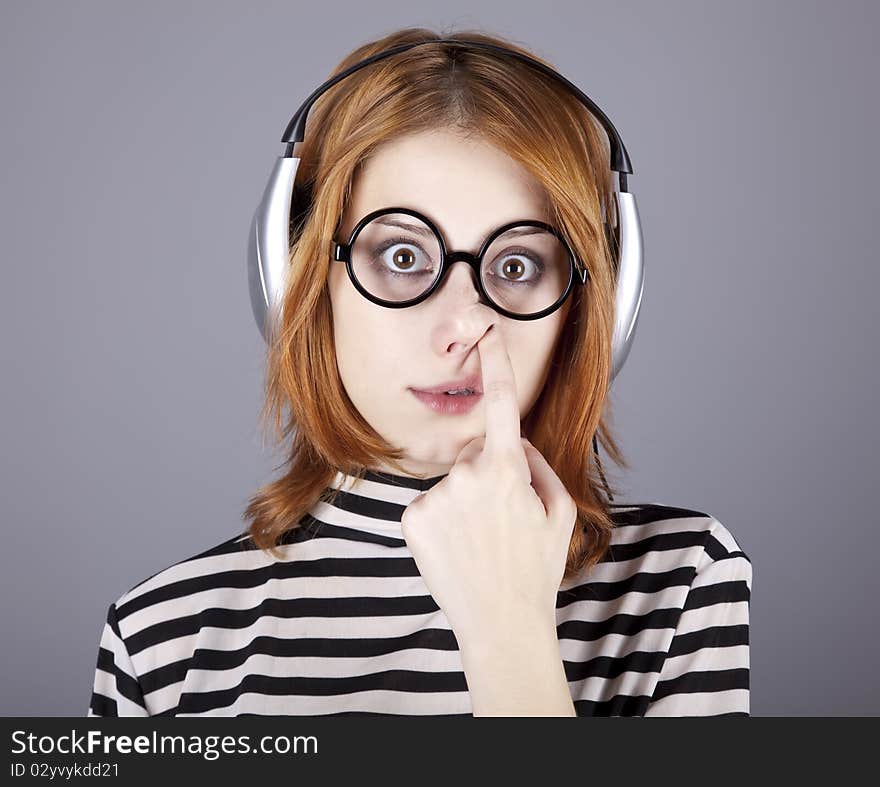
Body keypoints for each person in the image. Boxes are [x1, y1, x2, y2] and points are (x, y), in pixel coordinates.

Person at [88, 27, 752, 717]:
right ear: (300, 281)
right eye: (402, 256)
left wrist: (507, 630)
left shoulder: (679, 584)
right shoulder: (161, 638)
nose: (464, 324)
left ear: (590, 310)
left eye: (517, 266)